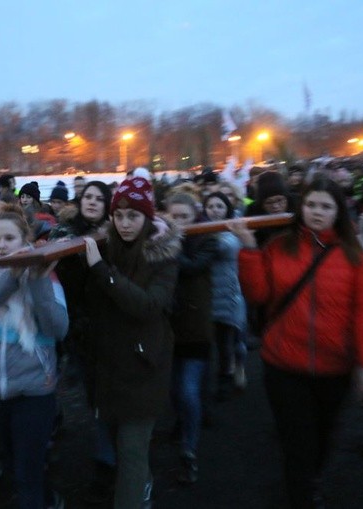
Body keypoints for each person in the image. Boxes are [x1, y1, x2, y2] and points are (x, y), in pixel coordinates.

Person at [230, 174, 363, 508]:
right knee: (298, 443)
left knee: (324, 438)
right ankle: (301, 496)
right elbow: (258, 295)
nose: (317, 211)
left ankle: (309, 480)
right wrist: (248, 251)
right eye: (311, 204)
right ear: (302, 208)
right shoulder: (279, 247)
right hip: (284, 365)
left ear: (337, 212)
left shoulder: (355, 258)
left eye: (325, 206)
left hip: (334, 369)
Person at [0, 212, 68, 509]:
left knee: (26, 472)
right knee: (12, 460)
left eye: (9, 239)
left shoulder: (47, 273)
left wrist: (35, 281)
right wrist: (10, 278)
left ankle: (40, 499)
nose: (2, 246)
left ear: (25, 241)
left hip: (33, 390)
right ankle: (49, 500)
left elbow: (57, 327)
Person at [82, 176, 181, 509]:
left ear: (147, 217)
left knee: (132, 451)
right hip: (109, 368)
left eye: (133, 216)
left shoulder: (163, 256)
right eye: (119, 216)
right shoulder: (106, 246)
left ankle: (134, 499)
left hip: (144, 369)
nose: (124, 224)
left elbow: (149, 306)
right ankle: (143, 487)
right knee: (120, 445)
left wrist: (103, 271)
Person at [48, 180, 115, 503]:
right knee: (94, 394)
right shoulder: (65, 232)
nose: (91, 202)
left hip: (110, 323)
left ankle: (108, 459)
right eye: (87, 196)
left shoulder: (116, 233)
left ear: (107, 204)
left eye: (98, 199)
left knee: (106, 395)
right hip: (80, 326)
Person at [165, 191, 217, 484]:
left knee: (187, 389)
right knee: (173, 390)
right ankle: (182, 422)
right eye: (175, 217)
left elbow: (195, 266)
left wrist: (169, 246)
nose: (181, 223)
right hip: (169, 327)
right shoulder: (162, 240)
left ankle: (189, 448)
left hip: (196, 327)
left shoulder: (207, 239)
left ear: (195, 216)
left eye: (185, 217)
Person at [203, 191, 248, 399]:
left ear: (227, 209)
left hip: (228, 293)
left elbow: (225, 247)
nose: (214, 210)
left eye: (219, 206)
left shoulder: (232, 231)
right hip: (208, 294)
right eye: (210, 206)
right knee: (211, 341)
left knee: (228, 341)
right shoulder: (200, 230)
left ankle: (228, 374)